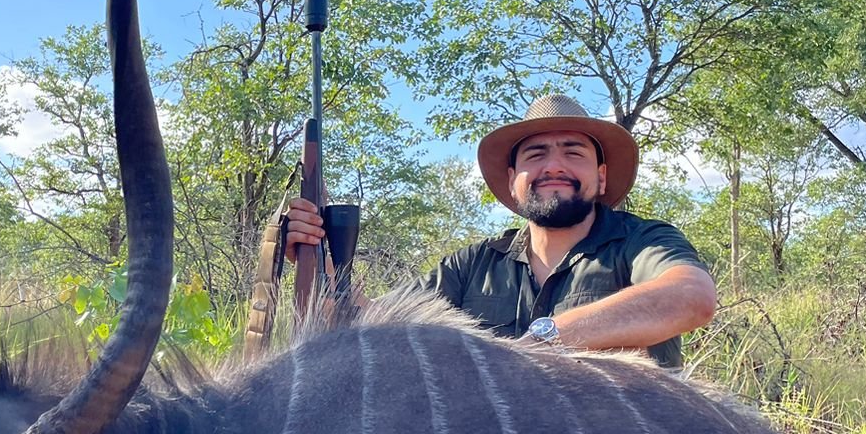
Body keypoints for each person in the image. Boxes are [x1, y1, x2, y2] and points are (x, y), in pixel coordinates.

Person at [284, 94, 716, 367]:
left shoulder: (640, 241)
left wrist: (547, 339)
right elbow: (374, 322)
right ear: (513, 179)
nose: (553, 166)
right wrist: (320, 260)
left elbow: (691, 298)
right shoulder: (472, 264)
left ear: (601, 177)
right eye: (536, 154)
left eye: (573, 152)